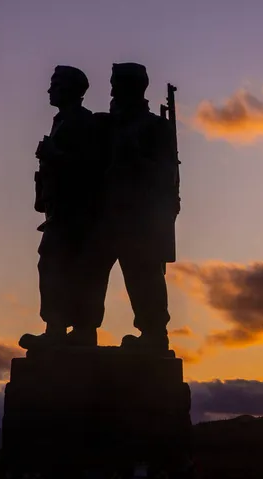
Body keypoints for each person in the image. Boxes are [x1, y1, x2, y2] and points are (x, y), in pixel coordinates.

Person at [75, 62, 178, 354]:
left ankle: (154, 334)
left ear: (134, 87)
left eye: (117, 84)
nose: (111, 89)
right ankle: (83, 329)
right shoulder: (105, 124)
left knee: (143, 276)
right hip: (104, 214)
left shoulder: (155, 127)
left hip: (139, 218)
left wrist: (134, 157)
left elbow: (166, 173)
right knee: (89, 272)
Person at [19, 65, 99, 350]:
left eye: (56, 84)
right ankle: (61, 328)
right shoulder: (63, 121)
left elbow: (89, 167)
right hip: (60, 211)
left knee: (63, 267)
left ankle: (66, 330)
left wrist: (54, 155)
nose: (50, 89)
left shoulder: (81, 122)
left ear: (72, 90)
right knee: (56, 266)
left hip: (76, 213)